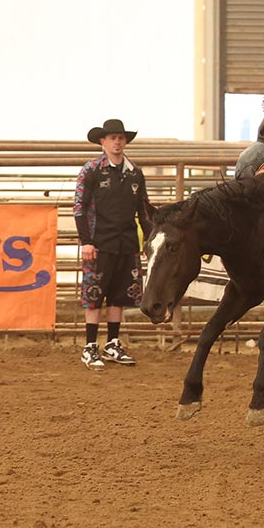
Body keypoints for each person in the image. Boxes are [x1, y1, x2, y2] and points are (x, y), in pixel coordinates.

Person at [73, 119, 152, 370]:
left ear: (125, 141)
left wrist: (149, 242)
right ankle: (90, 346)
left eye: (120, 138)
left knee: (119, 296)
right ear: (103, 142)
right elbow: (79, 208)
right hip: (99, 242)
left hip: (127, 242)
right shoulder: (92, 170)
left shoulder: (135, 173)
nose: (117, 142)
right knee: (94, 294)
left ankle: (112, 343)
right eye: (112, 138)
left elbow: (143, 210)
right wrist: (86, 241)